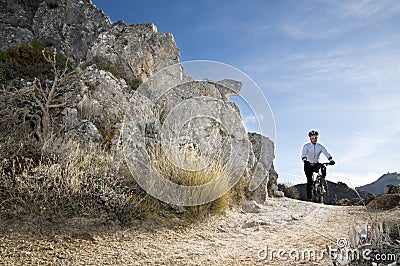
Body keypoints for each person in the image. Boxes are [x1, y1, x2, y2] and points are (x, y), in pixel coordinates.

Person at [301, 130, 335, 201]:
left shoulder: (320, 146)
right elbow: (303, 154)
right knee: (309, 181)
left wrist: (331, 160)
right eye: (313, 138)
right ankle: (310, 198)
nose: (314, 139)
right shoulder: (306, 146)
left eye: (315, 138)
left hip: (316, 164)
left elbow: (326, 153)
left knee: (323, 167)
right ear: (310, 138)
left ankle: (321, 182)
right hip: (308, 164)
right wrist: (305, 160)